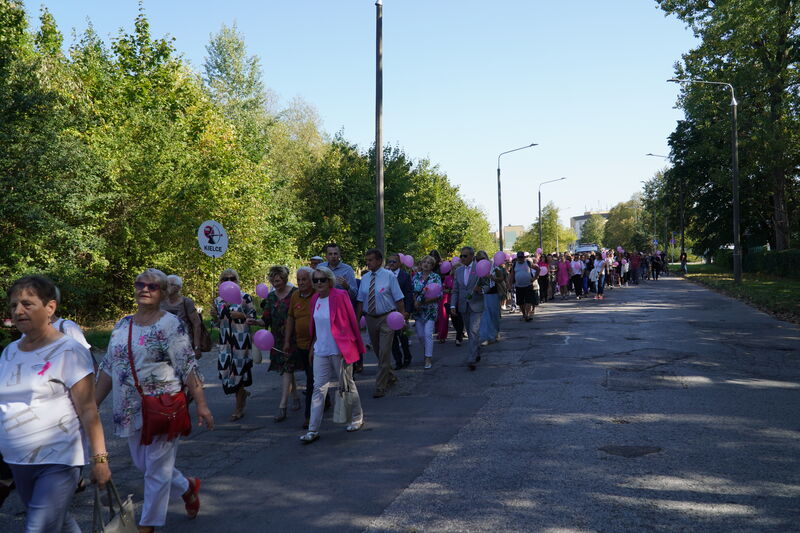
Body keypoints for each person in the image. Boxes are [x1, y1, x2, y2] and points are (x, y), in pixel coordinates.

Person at [96, 269, 213, 533]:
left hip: (163, 407)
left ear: (163, 293)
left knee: (156, 471)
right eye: (140, 284)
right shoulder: (122, 324)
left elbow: (188, 365)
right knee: (143, 464)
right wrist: (91, 404)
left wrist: (202, 404)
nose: (145, 289)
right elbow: (108, 366)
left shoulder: (170, 325)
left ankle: (148, 525)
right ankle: (187, 487)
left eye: (152, 286)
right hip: (128, 408)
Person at [0, 275, 111, 532]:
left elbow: (88, 410)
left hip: (58, 459)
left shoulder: (69, 350)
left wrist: (100, 459)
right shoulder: (9, 352)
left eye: (27, 304)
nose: (18, 311)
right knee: (58, 523)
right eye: (14, 304)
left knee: (38, 527)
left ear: (50, 307)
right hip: (17, 459)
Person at [300, 267, 365, 443]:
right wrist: (313, 345)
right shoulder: (314, 299)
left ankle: (357, 418)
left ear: (329, 281)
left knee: (347, 385)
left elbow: (352, 321)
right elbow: (315, 326)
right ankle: (313, 429)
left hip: (340, 349)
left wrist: (354, 348)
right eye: (316, 280)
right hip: (321, 350)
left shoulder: (340, 296)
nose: (319, 283)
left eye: (322, 279)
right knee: (318, 389)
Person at [251, 266, 300, 422]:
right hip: (277, 339)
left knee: (287, 368)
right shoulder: (271, 297)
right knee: (287, 369)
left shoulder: (295, 294)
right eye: (272, 280)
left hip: (293, 337)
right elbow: (266, 319)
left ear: (285, 279)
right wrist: (255, 321)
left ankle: (282, 406)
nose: (275, 283)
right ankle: (295, 396)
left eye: (278, 280)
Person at [356, 249, 406, 398]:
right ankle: (390, 375)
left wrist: (402, 317)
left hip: (387, 318)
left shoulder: (389, 276)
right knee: (378, 351)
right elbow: (360, 301)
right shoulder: (365, 278)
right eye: (367, 260)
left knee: (384, 351)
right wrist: (357, 320)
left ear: (379, 261)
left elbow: (399, 299)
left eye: (371, 260)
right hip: (370, 317)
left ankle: (380, 386)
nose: (368, 262)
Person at [210, 268, 256, 421]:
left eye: (232, 278)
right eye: (225, 278)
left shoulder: (244, 298)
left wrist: (241, 315)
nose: (229, 281)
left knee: (238, 372)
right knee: (225, 372)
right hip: (225, 343)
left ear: (237, 281)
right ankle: (242, 393)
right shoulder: (218, 300)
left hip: (241, 341)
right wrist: (215, 317)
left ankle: (238, 408)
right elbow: (215, 323)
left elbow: (254, 318)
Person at [282, 267, 316, 429]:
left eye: (304, 279)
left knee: (310, 379)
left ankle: (309, 417)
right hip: (301, 345)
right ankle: (326, 400)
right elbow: (290, 318)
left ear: (311, 280)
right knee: (312, 376)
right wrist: (287, 341)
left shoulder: (317, 295)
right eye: (299, 279)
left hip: (316, 345)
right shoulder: (295, 296)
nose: (301, 282)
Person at [450, 246, 488, 370]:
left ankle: (471, 359)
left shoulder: (479, 269)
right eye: (461, 256)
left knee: (473, 331)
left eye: (465, 256)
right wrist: (452, 304)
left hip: (476, 305)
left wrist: (481, 289)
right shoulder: (458, 271)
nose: (462, 258)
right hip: (463, 305)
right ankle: (476, 352)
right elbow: (455, 290)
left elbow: (488, 285)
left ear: (472, 256)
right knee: (470, 331)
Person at [161, 275, 204, 360]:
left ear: (178, 287)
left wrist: (197, 347)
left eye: (170, 284)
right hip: (164, 345)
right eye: (165, 284)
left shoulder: (186, 302)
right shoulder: (160, 302)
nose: (166, 287)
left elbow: (197, 324)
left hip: (184, 346)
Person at [411, 255, 442, 369]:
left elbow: (439, 295)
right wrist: (415, 302)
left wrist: (424, 302)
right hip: (418, 310)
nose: (426, 264)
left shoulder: (435, 277)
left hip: (430, 309)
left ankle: (428, 358)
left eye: (429, 263)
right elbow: (412, 291)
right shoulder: (416, 276)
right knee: (420, 335)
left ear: (432, 266)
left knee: (428, 334)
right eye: (424, 262)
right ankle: (426, 350)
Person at [385, 254, 414, 369]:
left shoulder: (405, 276)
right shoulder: (385, 275)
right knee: (392, 339)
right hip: (388, 311)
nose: (392, 263)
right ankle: (397, 360)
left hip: (401, 311)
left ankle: (407, 357)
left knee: (403, 336)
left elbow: (408, 294)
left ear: (400, 263)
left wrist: (407, 311)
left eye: (394, 261)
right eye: (390, 261)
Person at [478, 250, 503, 345]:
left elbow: (501, 278)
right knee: (484, 316)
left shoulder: (493, 265)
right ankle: (486, 337)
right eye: (478, 259)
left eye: (482, 259)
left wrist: (492, 277)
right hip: (482, 293)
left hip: (493, 292)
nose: (481, 261)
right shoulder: (476, 267)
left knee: (494, 314)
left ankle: (496, 332)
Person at [510, 251, 538, 321]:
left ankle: (527, 314)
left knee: (528, 300)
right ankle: (524, 314)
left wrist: (534, 278)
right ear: (517, 258)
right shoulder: (514, 264)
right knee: (520, 302)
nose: (520, 259)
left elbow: (538, 269)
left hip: (528, 285)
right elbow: (512, 276)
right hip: (518, 285)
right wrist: (510, 285)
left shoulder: (528, 263)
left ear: (524, 257)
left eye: (521, 257)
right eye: (519, 257)